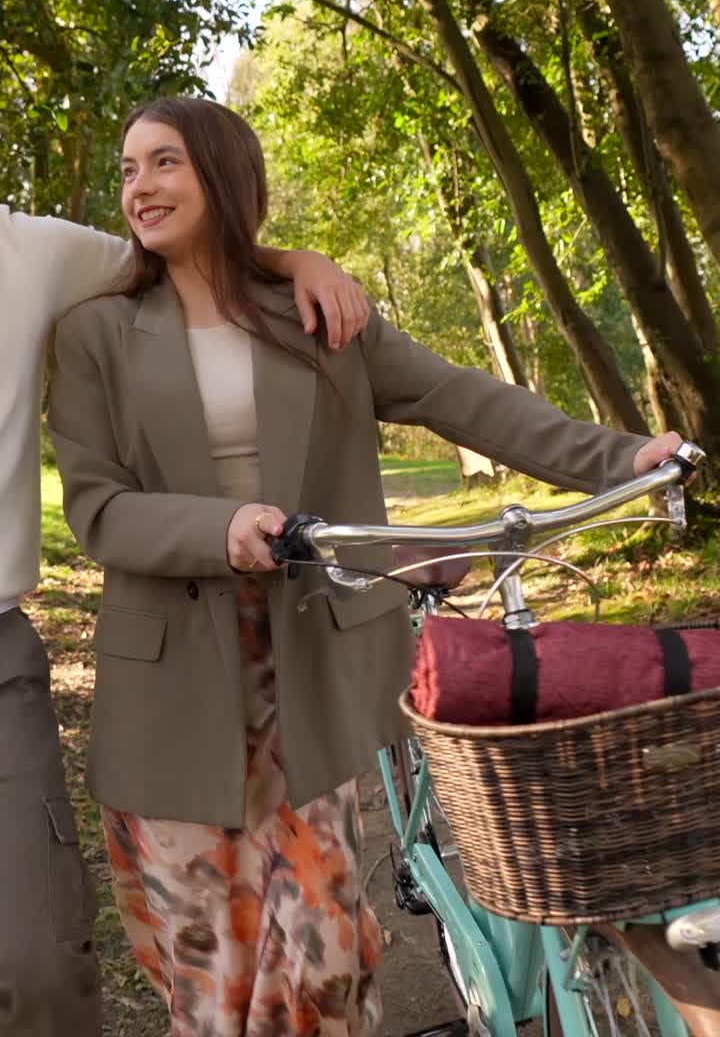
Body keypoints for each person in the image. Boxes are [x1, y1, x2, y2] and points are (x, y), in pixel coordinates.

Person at [48, 96, 681, 1037]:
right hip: (172, 681)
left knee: (328, 961)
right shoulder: (97, 334)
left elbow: (456, 395)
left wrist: (615, 456)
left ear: (222, 172)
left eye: (166, 162)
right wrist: (226, 527)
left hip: (309, 655)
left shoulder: (314, 308)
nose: (140, 185)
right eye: (131, 168)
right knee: (212, 981)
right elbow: (98, 508)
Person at [0, 195, 367, 1036]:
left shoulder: (30, 249)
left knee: (35, 965)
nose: (142, 181)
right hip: (174, 646)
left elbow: (180, 246)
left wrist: (300, 261)